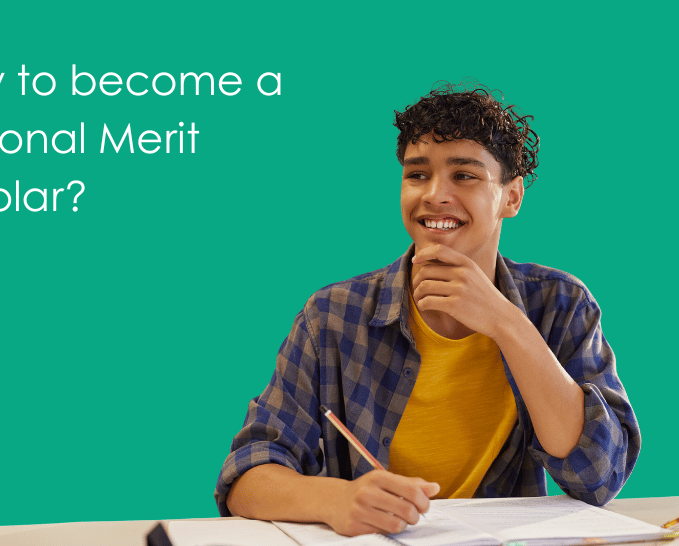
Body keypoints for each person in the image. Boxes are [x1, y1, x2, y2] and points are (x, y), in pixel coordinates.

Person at [214, 83, 640, 537]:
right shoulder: (333, 317)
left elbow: (599, 475)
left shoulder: (559, 304)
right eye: (417, 175)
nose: (435, 195)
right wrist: (338, 500)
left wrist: (507, 323)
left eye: (465, 175)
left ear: (511, 197)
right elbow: (245, 480)